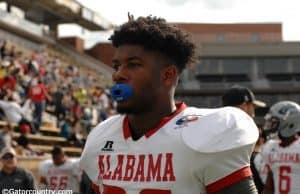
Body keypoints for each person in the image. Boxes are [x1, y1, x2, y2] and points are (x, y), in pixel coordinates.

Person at [80, 14, 259, 194]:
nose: (118, 74)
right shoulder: (101, 137)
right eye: (117, 65)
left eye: (133, 65)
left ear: (167, 75)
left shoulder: (205, 133)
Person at [222, 85, 267, 193]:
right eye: (252, 107)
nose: (253, 114)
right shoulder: (244, 130)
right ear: (244, 106)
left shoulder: (217, 127)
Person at [262, 101, 300, 194]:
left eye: (275, 121)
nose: (271, 124)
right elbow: (269, 187)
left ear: (290, 123)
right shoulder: (270, 147)